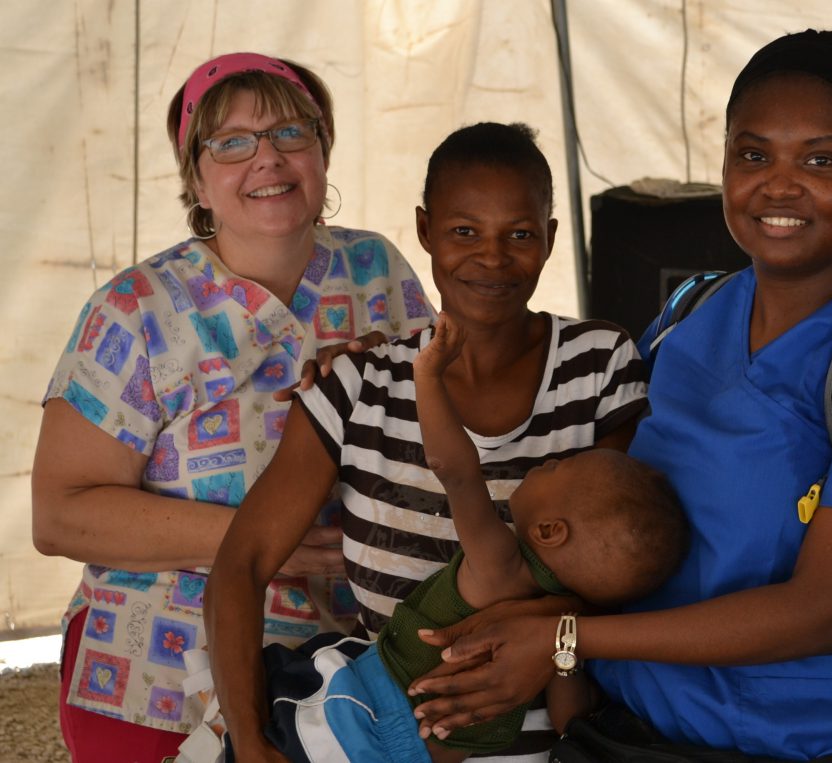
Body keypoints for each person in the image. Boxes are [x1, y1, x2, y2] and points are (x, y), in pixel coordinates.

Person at [405, 30, 832, 762]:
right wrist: (386, 361)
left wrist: (564, 641)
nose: (778, 184)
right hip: (633, 732)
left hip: (810, 746)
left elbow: (825, 612)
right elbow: (597, 506)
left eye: (819, 158)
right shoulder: (688, 314)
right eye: (753, 154)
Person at [202, 120, 650, 762]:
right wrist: (249, 739)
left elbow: (635, 552)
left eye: (520, 234)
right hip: (382, 739)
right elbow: (238, 568)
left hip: (555, 745)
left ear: (551, 238)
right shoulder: (355, 385)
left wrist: (554, 644)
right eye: (464, 231)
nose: (492, 258)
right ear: (424, 230)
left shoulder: (599, 365)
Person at [31, 52, 433, 762]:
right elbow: (59, 513)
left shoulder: (376, 270)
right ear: (195, 177)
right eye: (232, 142)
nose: (267, 159)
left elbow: (441, 424)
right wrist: (256, 539)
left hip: (350, 648)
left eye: (290, 133)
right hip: (159, 651)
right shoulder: (136, 309)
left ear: (323, 148)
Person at [199, 309, 685, 762]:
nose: (544, 463)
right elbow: (568, 720)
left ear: (550, 531)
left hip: (357, 720)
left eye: (555, 465)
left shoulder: (497, 562)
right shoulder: (559, 634)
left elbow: (454, 471)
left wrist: (427, 377)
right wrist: (565, 649)